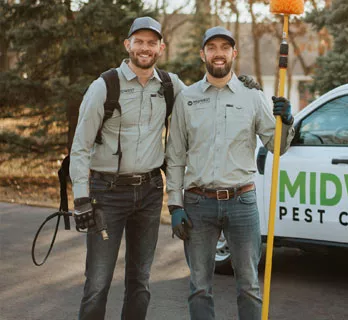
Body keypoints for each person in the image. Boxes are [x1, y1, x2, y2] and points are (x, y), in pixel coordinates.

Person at [165, 26, 295, 320]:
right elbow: (174, 156)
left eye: (225, 47)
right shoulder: (187, 99)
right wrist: (174, 204)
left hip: (242, 202)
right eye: (212, 47)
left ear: (234, 53)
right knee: (200, 286)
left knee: (248, 285)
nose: (219, 53)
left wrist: (286, 121)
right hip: (198, 203)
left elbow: (277, 146)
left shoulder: (252, 96)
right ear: (203, 54)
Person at [69, 16, 187, 320]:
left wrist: (243, 86)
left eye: (151, 43)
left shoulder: (170, 85)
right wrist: (81, 198)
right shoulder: (104, 86)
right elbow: (80, 146)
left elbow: (204, 100)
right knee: (97, 283)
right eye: (139, 41)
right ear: (128, 44)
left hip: (150, 193)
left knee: (140, 282)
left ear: (161, 47)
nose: (145, 48)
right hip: (106, 194)